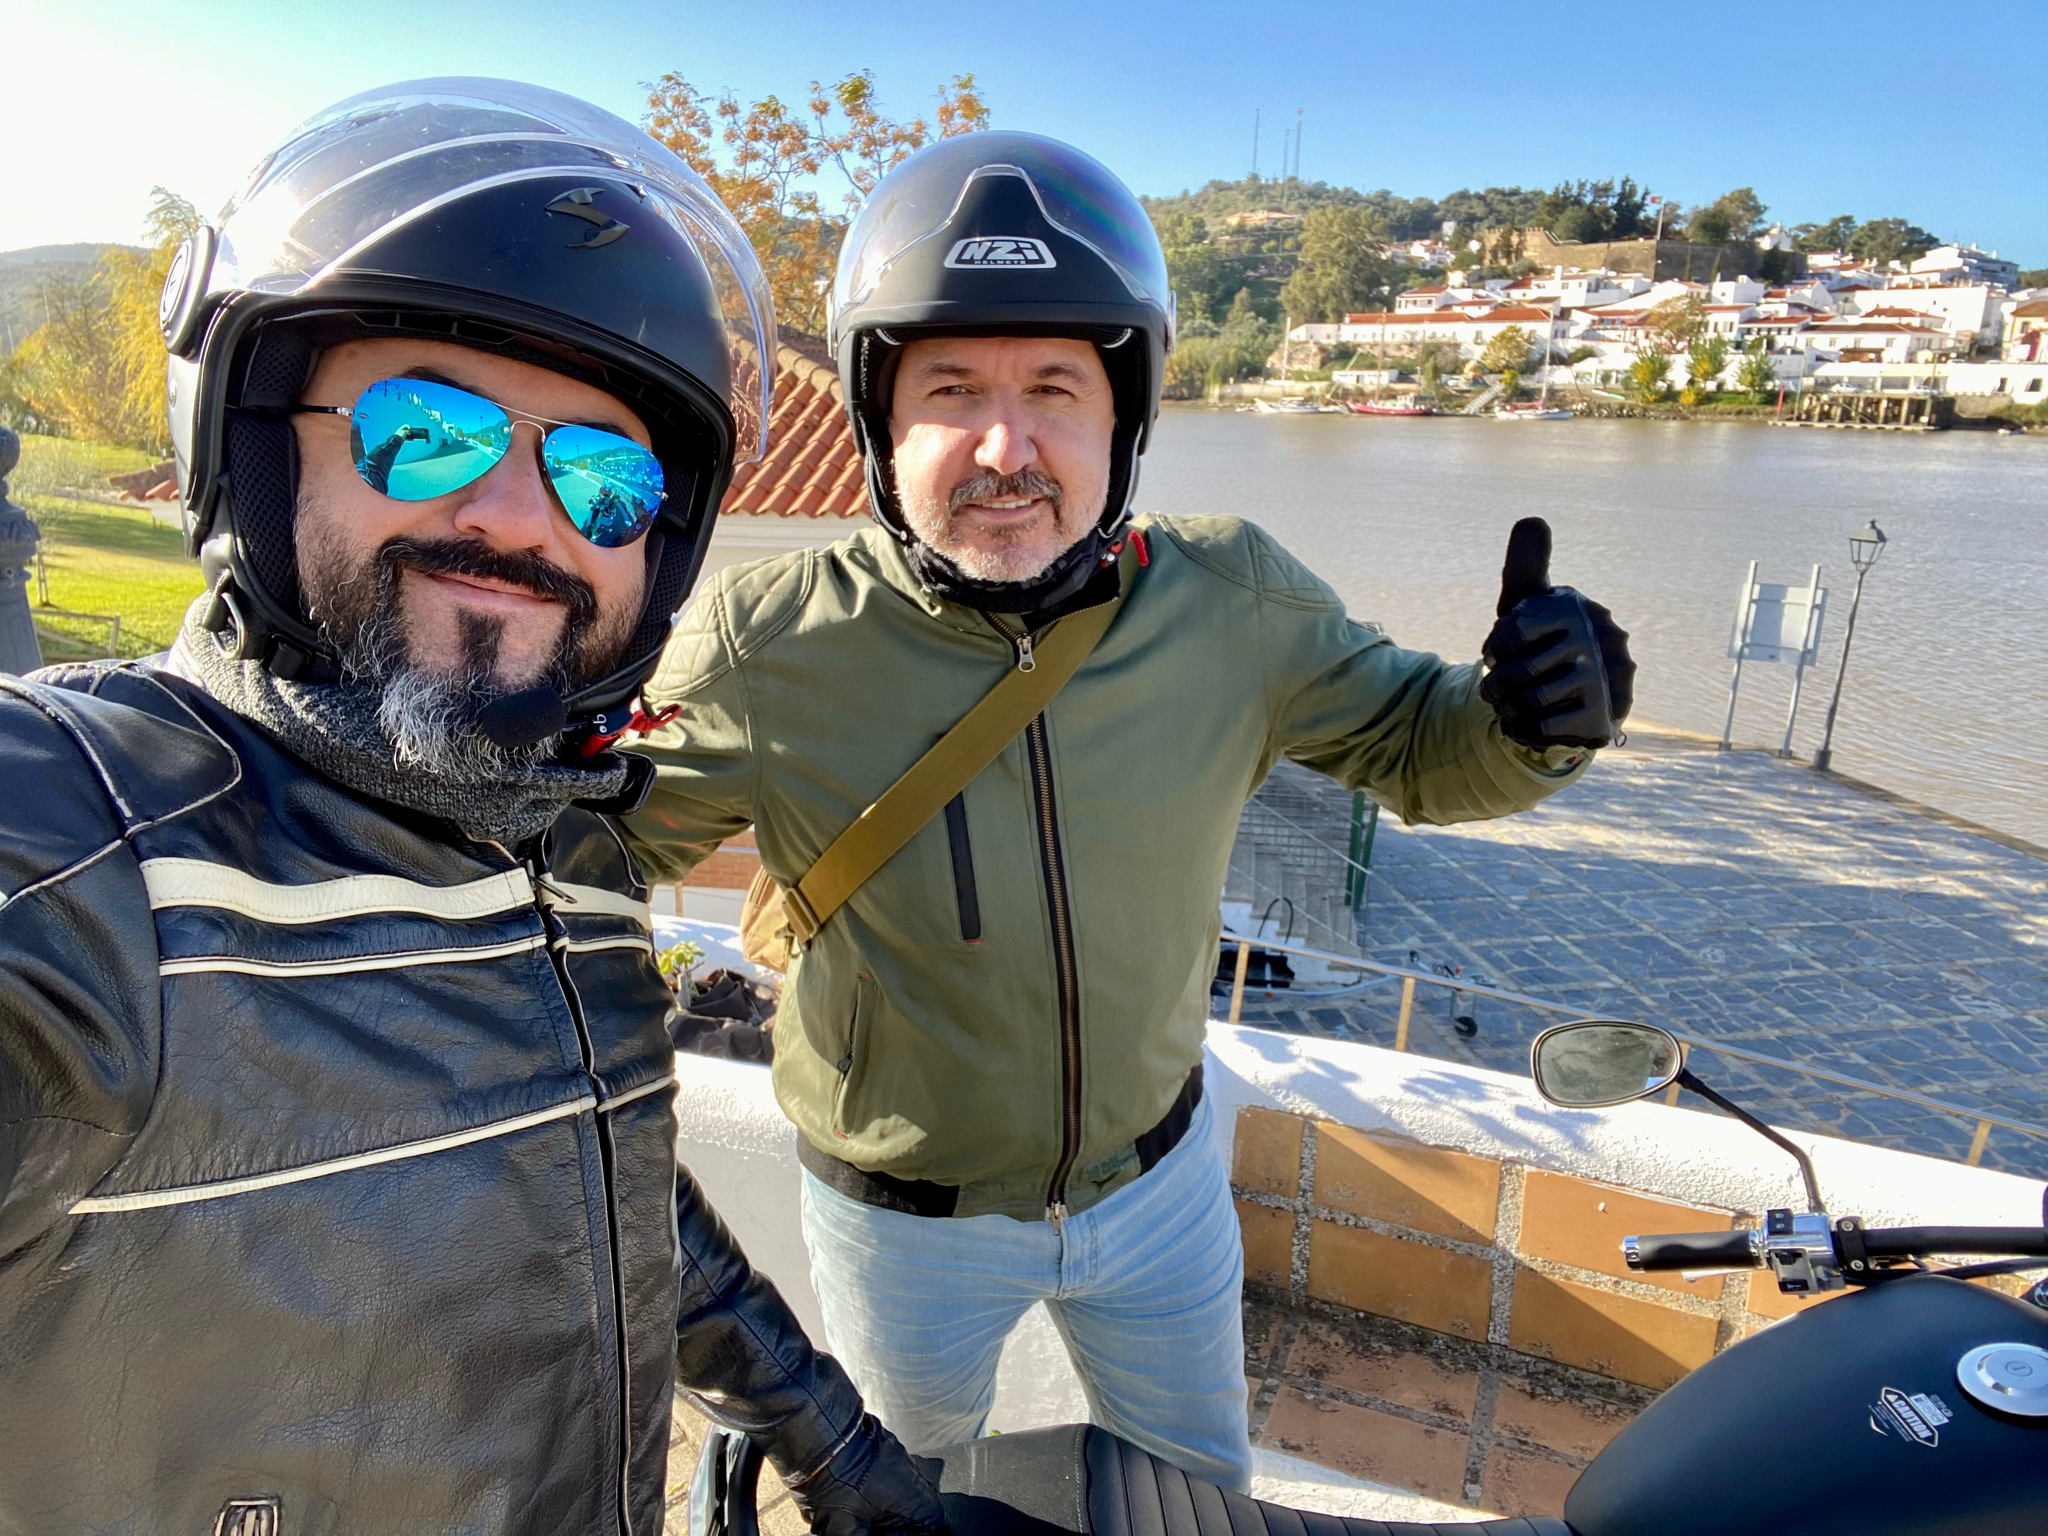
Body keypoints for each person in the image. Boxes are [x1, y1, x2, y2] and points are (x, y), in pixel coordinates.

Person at [619, 132, 1636, 1492]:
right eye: (951, 390)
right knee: (905, 1503)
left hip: (1161, 1191)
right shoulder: (774, 643)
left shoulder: (1233, 601)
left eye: (1056, 388)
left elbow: (1423, 750)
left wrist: (1535, 720)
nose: (1006, 446)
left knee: (1200, 1492)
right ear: (880, 420)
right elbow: (579, 851)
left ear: (1124, 419)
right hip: (901, 1222)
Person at [0, 79, 941, 1536]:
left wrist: (829, 1442)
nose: (514, 514)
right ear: (256, 442)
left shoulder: (566, 852)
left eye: (604, 476)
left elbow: (601, 1167)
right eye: (425, 428)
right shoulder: (89, 856)